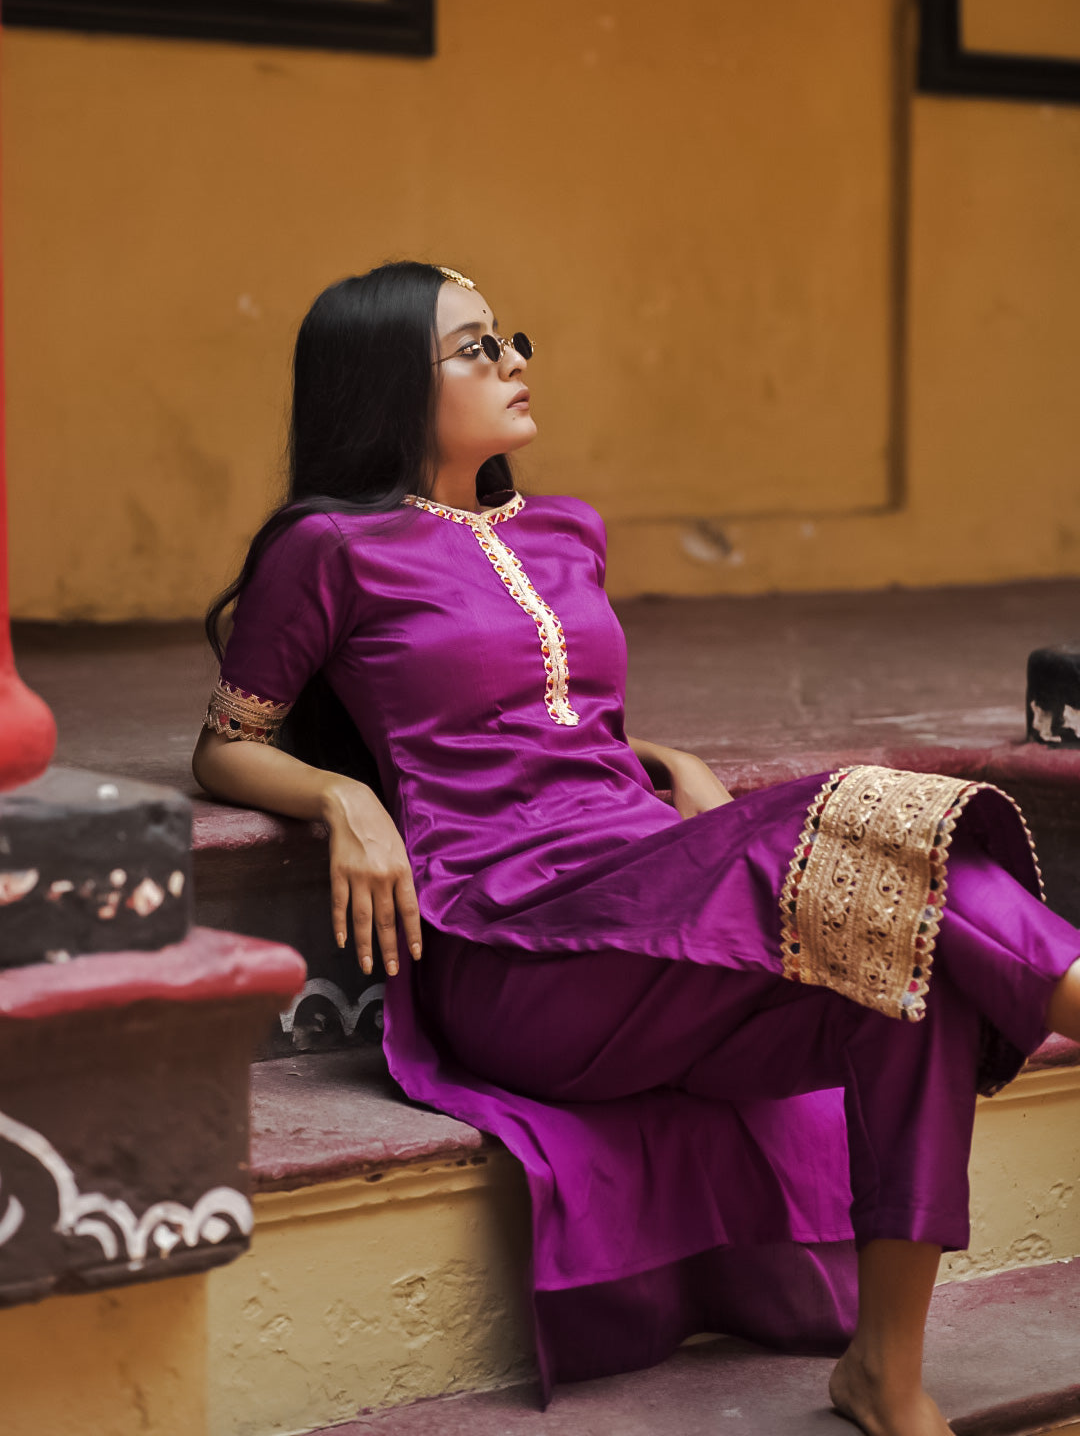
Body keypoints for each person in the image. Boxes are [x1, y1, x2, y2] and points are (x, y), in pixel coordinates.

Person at [192, 260, 1080, 1436]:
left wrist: (669, 768)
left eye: (510, 337)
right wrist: (344, 799)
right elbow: (228, 743)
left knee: (907, 969)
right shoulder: (330, 547)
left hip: (641, 894)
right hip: (512, 941)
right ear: (387, 381)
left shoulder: (567, 530)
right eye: (475, 347)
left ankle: (884, 1369)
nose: (514, 361)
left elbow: (553, 714)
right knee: (876, 829)